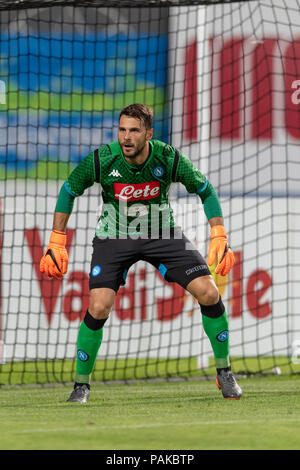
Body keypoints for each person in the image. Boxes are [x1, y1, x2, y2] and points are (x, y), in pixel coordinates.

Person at [40, 103, 242, 403]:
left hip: (163, 234)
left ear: (148, 133)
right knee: (99, 307)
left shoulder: (167, 157)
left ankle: (224, 372)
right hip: (113, 238)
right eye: (122, 129)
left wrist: (219, 233)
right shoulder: (102, 160)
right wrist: (57, 238)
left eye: (134, 130)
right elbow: (69, 189)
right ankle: (81, 385)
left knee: (210, 293)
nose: (126, 137)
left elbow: (206, 190)